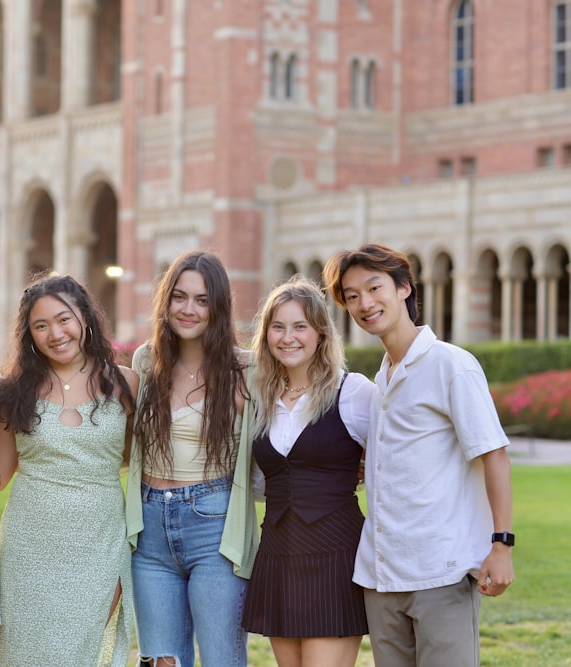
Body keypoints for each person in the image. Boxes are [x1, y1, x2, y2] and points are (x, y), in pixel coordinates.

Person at [322, 243, 514, 667]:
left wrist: (502, 545)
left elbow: (494, 455)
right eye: (352, 296)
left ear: (404, 288)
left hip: (439, 573)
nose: (364, 304)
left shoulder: (451, 365)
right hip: (381, 575)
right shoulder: (382, 377)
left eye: (374, 288)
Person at [0, 273, 138, 667]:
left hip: (100, 542)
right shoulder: (13, 392)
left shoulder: (126, 385)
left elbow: (138, 458)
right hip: (30, 546)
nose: (55, 333)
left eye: (63, 319)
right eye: (41, 325)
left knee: (88, 651)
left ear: (84, 318)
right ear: (30, 335)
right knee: (29, 653)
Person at [126, 250, 257, 667]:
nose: (188, 309)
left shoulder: (245, 371)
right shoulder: (147, 361)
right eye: (179, 297)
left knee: (221, 659)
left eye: (201, 300)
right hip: (149, 529)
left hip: (214, 525)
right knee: (161, 661)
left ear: (218, 308)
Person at [241, 275, 374, 667]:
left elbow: (394, 461)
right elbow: (260, 481)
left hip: (334, 553)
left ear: (320, 333)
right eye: (277, 327)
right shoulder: (262, 399)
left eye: (300, 326)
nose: (288, 337)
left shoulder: (352, 392)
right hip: (279, 551)